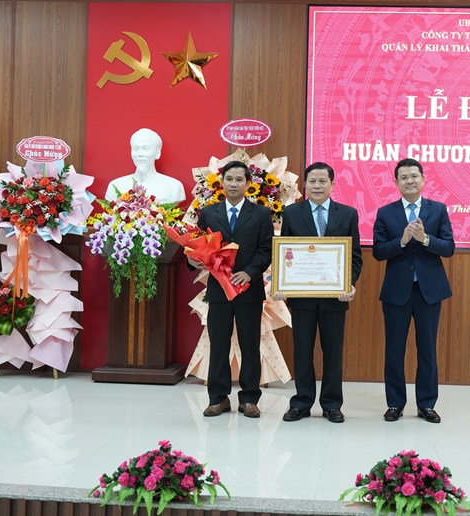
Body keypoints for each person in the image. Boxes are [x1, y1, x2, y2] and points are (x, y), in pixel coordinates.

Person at [273, 162, 363, 424]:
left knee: (333, 353)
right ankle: (301, 403)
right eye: (312, 181)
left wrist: (349, 283)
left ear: (332, 184)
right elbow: (285, 254)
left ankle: (332, 405)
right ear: (304, 185)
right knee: (302, 352)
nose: (317, 186)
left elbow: (355, 257)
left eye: (323, 181)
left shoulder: (348, 214)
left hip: (335, 298)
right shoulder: (292, 213)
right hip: (302, 298)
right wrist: (281, 284)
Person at [372, 158, 454, 423]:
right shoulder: (386, 213)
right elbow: (378, 252)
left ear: (423, 179)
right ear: (396, 183)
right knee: (394, 351)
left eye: (414, 176)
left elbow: (448, 248)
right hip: (397, 291)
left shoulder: (438, 210)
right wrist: (403, 240)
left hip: (429, 291)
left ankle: (426, 404)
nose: (409, 181)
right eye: (404, 177)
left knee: (427, 349)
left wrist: (425, 239)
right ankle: (395, 404)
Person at [189, 161, 273, 418]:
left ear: (248, 183)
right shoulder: (208, 213)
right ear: (222, 182)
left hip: (249, 289)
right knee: (218, 344)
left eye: (239, 179)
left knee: (250, 344)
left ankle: (249, 399)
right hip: (219, 290)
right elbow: (198, 245)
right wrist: (192, 259)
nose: (233, 184)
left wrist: (249, 272)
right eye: (229, 179)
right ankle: (218, 398)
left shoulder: (261, 214)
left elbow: (266, 249)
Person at [105, 128, 186, 204]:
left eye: (146, 148)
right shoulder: (115, 185)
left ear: (157, 153)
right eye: (136, 148)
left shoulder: (174, 186)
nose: (140, 154)